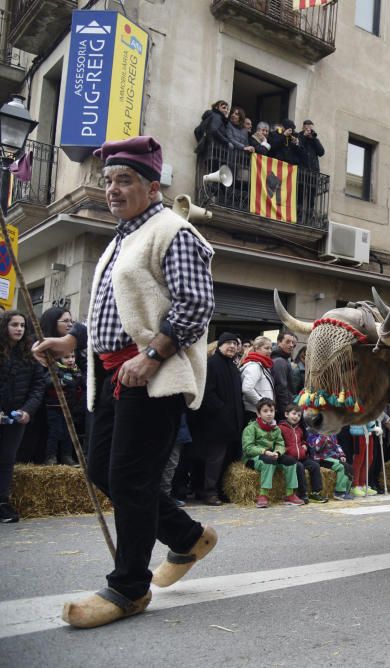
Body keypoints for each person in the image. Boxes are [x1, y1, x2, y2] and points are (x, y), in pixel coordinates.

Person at [37, 137, 218, 628]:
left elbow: (197, 305)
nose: (113, 189)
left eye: (125, 180)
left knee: (131, 479)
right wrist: (70, 341)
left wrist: (154, 355)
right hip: (113, 375)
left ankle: (128, 588)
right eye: (109, 180)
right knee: (103, 471)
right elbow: (113, 315)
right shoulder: (119, 239)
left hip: (151, 377)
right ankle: (185, 537)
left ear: (151, 185)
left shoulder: (173, 231)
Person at [188, 332, 244, 506]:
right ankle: (209, 492)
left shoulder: (233, 367)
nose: (232, 346)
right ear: (219, 345)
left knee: (225, 458)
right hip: (215, 423)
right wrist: (221, 410)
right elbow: (207, 394)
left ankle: (220, 490)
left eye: (235, 344)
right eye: (228, 343)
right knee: (214, 458)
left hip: (231, 423)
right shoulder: (211, 364)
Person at [0, 311, 45, 523]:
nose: (19, 329)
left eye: (22, 325)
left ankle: (2, 502)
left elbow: (38, 386)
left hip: (15, 418)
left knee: (7, 459)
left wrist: (28, 410)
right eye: (14, 325)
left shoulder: (29, 354)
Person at [242, 398, 302, 508]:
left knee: (291, 461)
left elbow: (280, 444)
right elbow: (248, 448)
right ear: (258, 413)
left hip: (271, 455)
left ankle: (290, 494)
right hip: (254, 458)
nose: (269, 414)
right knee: (268, 461)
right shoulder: (251, 428)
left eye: (272, 411)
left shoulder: (276, 429)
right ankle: (263, 495)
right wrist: (264, 451)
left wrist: (278, 452)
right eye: (265, 411)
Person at [43, 352, 84, 466]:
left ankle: (67, 457)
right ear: (59, 358)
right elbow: (46, 381)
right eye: (66, 357)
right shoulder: (55, 369)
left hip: (71, 409)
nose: (70, 360)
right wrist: (58, 382)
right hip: (55, 407)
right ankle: (51, 457)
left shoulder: (78, 371)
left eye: (72, 357)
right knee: (55, 432)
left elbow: (81, 386)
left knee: (69, 434)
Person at [280, 404, 327, 503]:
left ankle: (315, 492)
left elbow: (302, 441)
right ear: (286, 414)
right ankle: (302, 493)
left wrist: (304, 445)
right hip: (289, 458)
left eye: (298, 415)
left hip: (301, 456)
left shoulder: (299, 429)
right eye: (293, 414)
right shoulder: (280, 428)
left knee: (314, 465)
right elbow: (278, 442)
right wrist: (284, 449)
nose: (296, 417)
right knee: (299, 467)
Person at [307, 428, 353, 500]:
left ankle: (346, 491)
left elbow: (336, 445)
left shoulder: (332, 432)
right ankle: (339, 492)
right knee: (342, 467)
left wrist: (341, 454)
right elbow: (316, 448)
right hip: (321, 458)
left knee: (349, 467)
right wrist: (323, 434)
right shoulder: (313, 431)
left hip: (332, 457)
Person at [240, 336, 275, 424]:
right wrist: (262, 404)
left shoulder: (261, 365)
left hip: (260, 411)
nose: (270, 351)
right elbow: (247, 389)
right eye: (266, 348)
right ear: (257, 349)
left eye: (271, 348)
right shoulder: (254, 366)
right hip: (254, 412)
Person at [349, 420, 380, 497]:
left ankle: (362, 484)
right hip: (358, 430)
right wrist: (373, 426)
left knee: (369, 458)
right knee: (359, 459)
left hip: (367, 430)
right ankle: (355, 486)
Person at [270, 331, 297, 417]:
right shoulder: (280, 361)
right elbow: (281, 388)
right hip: (283, 410)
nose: (291, 345)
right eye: (288, 342)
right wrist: (286, 411)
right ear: (279, 342)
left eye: (293, 343)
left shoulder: (283, 359)